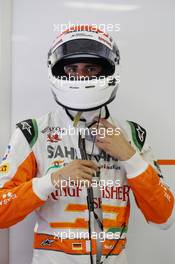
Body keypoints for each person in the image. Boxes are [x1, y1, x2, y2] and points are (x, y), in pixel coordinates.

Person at [0, 25, 174, 264]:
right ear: (60, 71)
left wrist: (130, 157)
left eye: (90, 68)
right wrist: (51, 181)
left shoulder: (132, 134)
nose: (80, 77)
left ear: (107, 70)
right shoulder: (33, 132)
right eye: (72, 69)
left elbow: (164, 218)